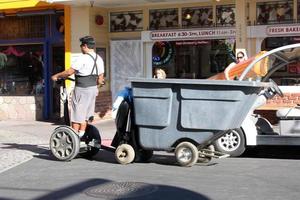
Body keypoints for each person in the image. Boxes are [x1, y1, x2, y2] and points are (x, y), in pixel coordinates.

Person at [51, 36, 105, 139]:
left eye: (81, 46)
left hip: (81, 89)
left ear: (85, 46)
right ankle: (82, 133)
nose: (81, 48)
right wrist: (96, 84)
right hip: (93, 89)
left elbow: (69, 72)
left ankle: (74, 137)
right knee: (86, 114)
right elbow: (100, 79)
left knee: (76, 114)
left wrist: (56, 76)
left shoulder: (83, 58)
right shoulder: (99, 58)